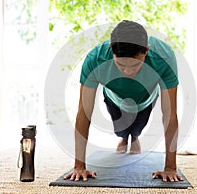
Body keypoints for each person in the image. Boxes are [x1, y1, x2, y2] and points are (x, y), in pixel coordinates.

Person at [64, 20, 183, 182]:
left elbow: (169, 113)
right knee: (120, 129)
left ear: (146, 51)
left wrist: (170, 167)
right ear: (111, 49)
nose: (128, 72)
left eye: (135, 66)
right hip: (114, 99)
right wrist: (79, 166)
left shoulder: (164, 56)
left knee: (137, 127)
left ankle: (133, 137)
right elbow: (84, 112)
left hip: (145, 100)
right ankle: (124, 136)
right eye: (121, 65)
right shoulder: (95, 59)